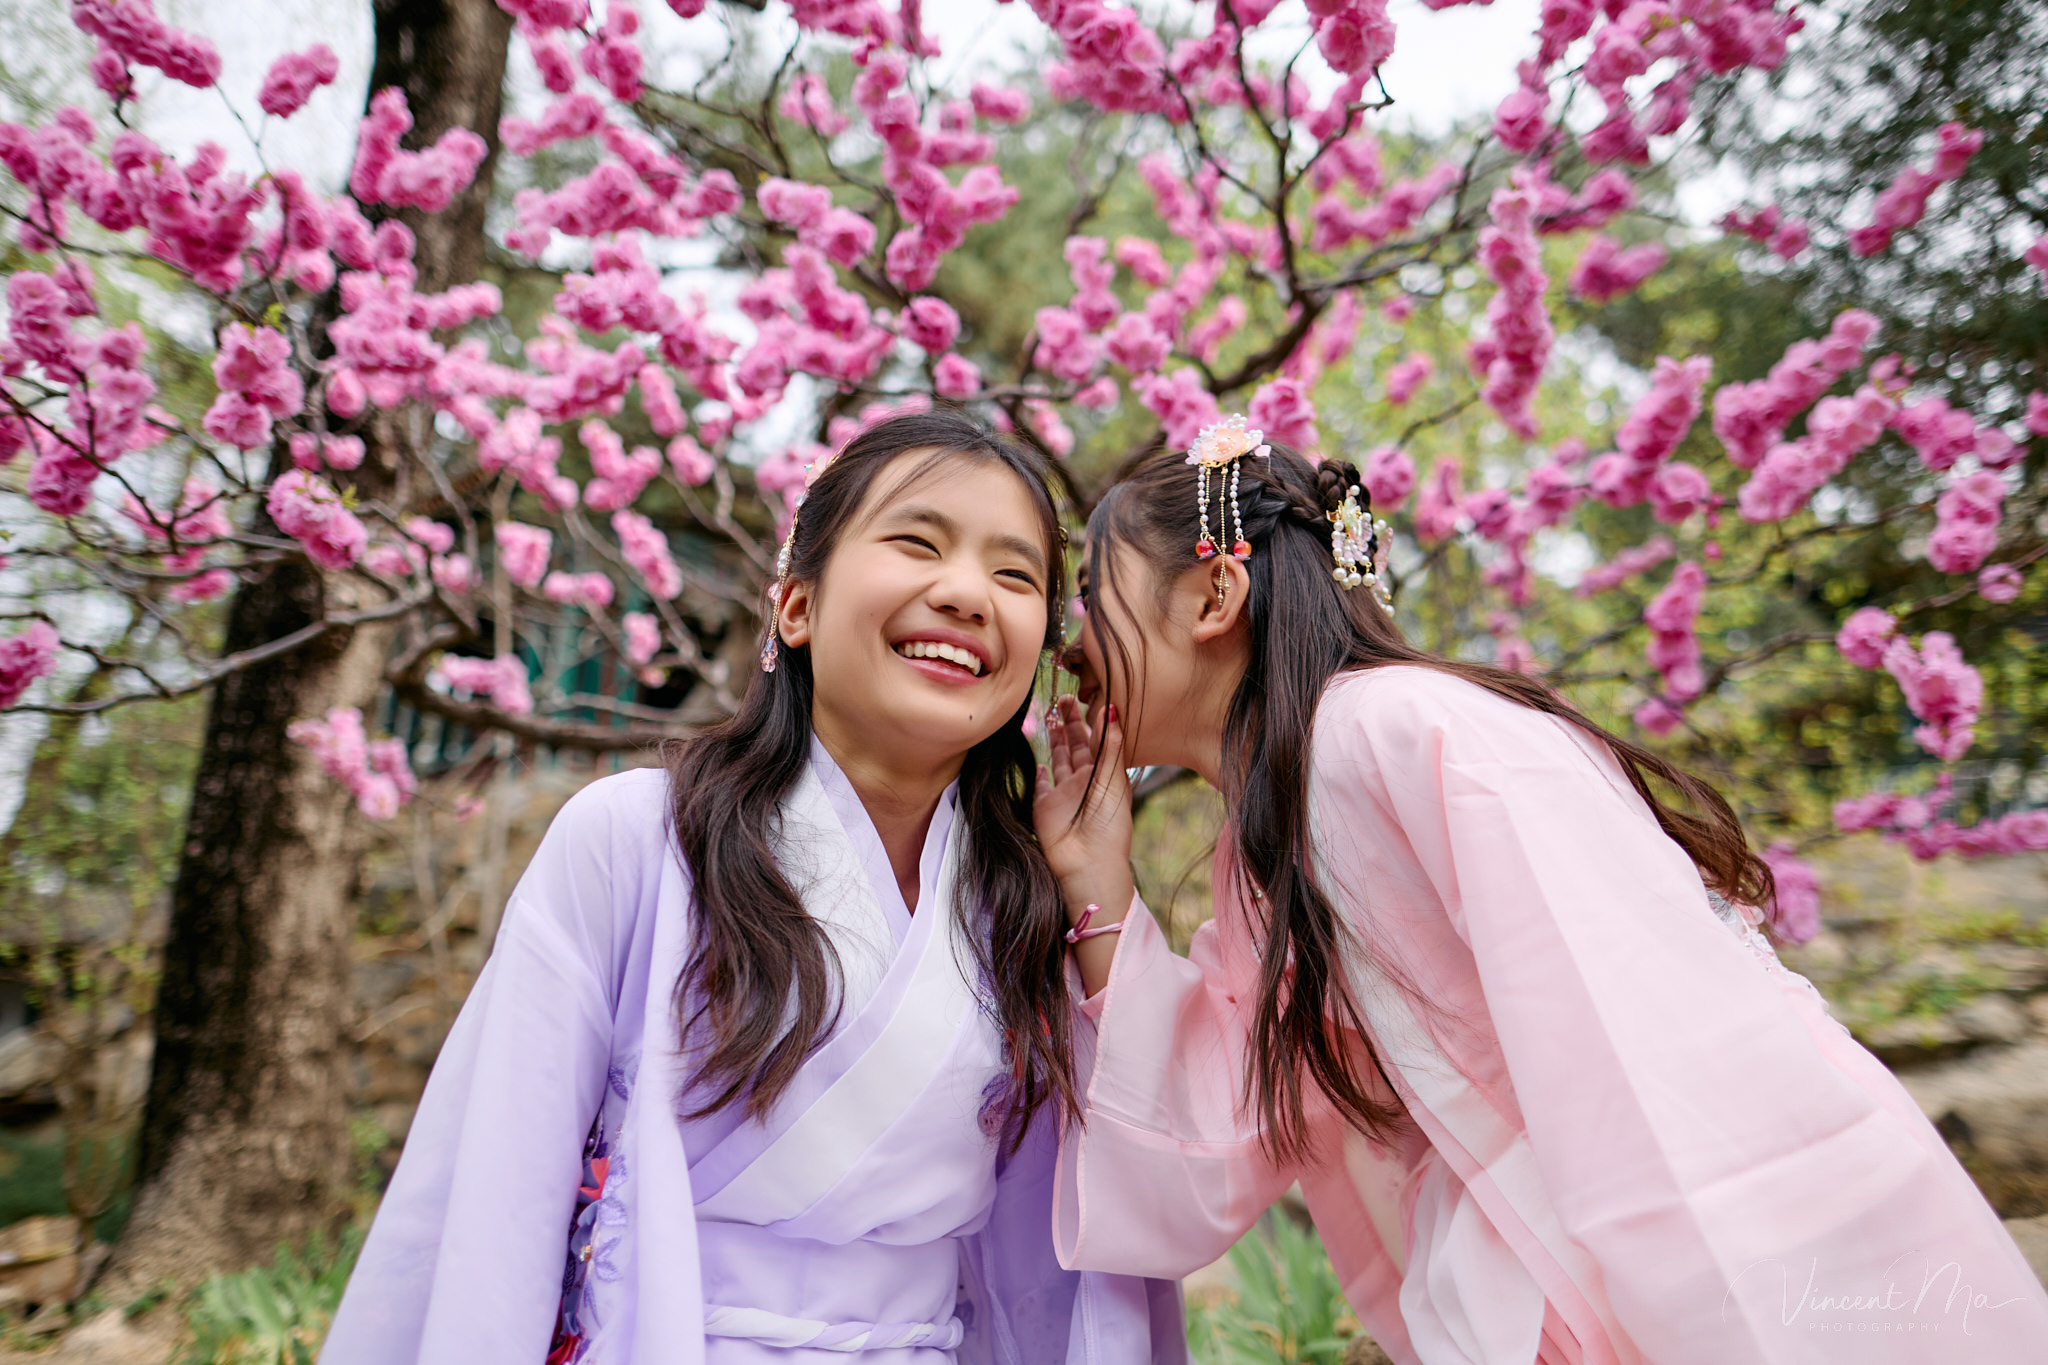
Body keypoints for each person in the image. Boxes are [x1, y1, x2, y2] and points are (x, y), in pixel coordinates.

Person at [1032, 416, 2048, 1363]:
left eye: (1089, 596)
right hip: (1538, 1287)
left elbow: (1641, 1048)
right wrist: (1095, 879)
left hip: (1700, 1261)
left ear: (1212, 598)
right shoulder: (1267, 843)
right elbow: (1213, 1130)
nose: (1069, 643)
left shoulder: (1396, 732)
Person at [324, 412, 1182, 1365]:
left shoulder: (1020, 902)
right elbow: (496, 1192)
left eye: (1015, 576)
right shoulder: (634, 842)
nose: (967, 594)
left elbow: (1116, 1205)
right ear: (796, 606)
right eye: (916, 542)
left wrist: (1097, 885)